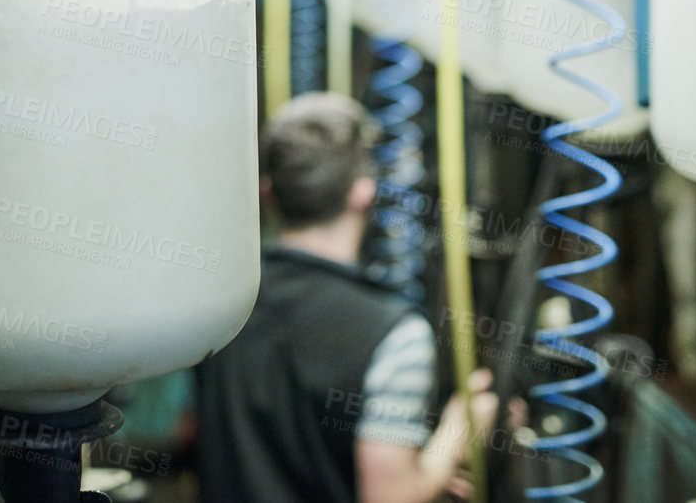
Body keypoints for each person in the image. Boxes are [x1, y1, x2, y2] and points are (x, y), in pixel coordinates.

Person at [196, 92, 498, 503]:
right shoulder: (394, 334)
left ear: (267, 192)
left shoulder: (219, 303)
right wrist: (457, 432)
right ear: (362, 193)